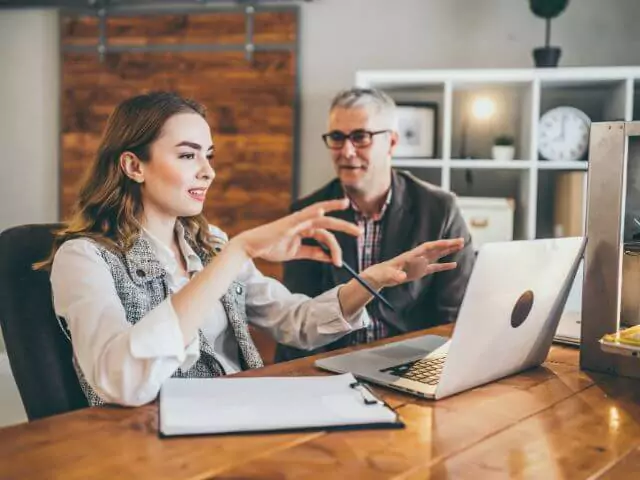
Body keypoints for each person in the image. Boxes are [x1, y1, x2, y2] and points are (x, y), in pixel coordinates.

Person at [40, 91, 464, 407]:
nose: (208, 171)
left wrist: (372, 281)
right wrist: (239, 252)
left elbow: (295, 321)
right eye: (188, 156)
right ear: (134, 165)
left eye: (208, 155)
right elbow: (124, 382)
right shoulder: (84, 258)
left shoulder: (211, 243)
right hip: (147, 443)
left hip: (242, 415)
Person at [275, 88, 475, 363]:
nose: (346, 151)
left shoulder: (440, 210)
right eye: (337, 137)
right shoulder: (307, 214)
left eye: (360, 137)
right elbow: (298, 317)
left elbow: (455, 316)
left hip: (411, 363)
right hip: (332, 367)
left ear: (392, 143)